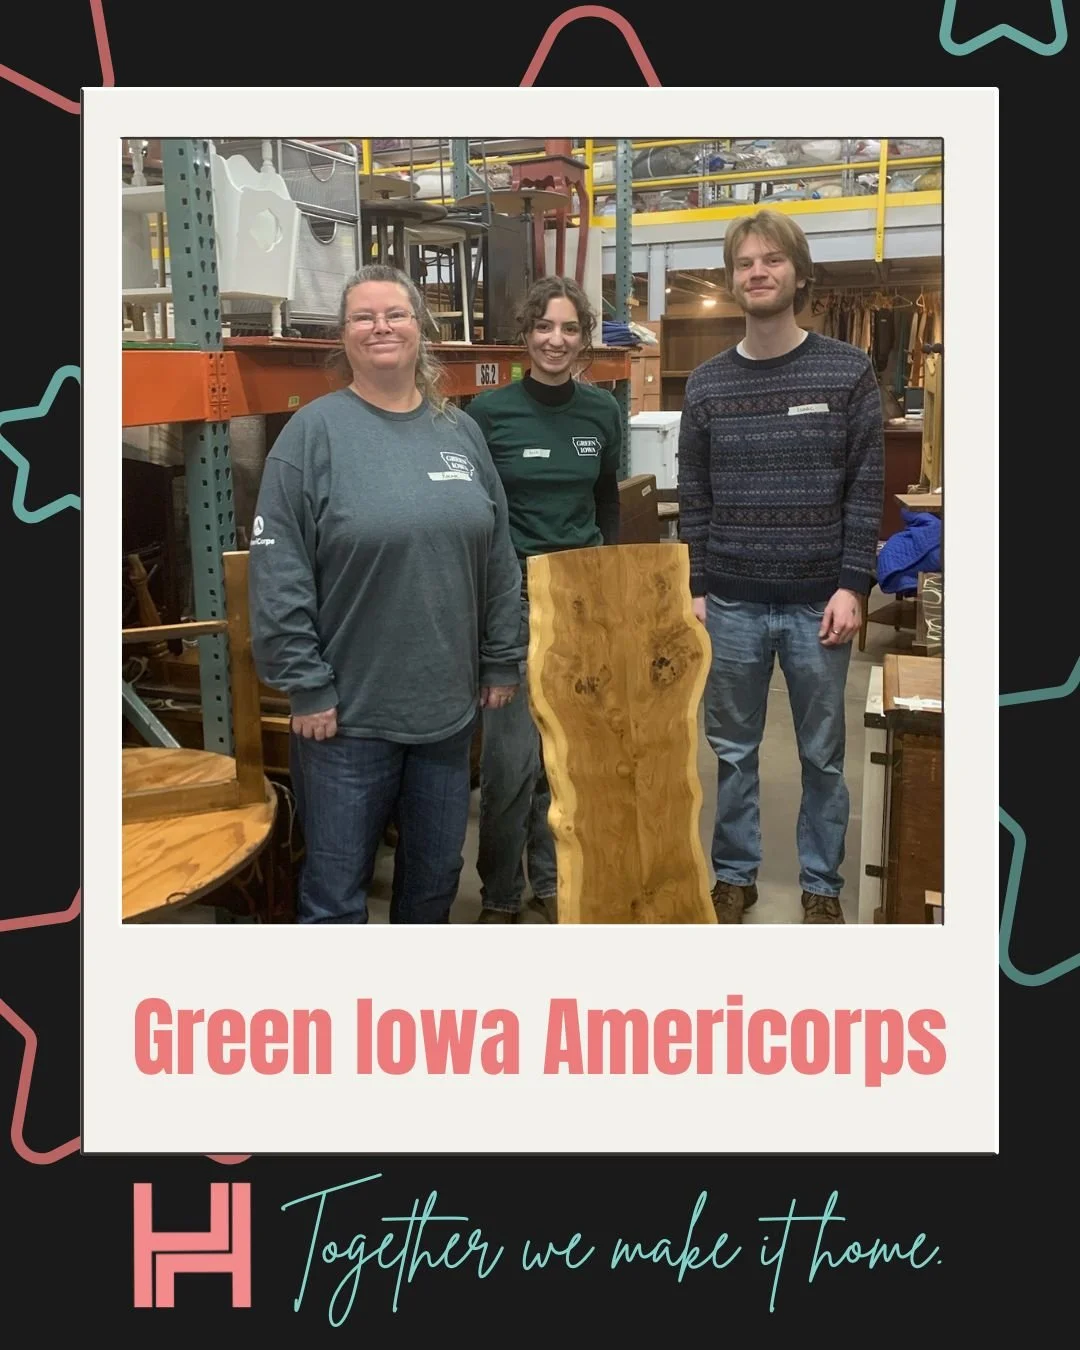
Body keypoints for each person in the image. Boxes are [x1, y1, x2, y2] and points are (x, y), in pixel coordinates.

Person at [248, 264, 523, 924]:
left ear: (419, 328)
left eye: (395, 314)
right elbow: (279, 570)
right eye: (363, 317)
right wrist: (305, 683)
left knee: (433, 883)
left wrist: (501, 657)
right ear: (342, 336)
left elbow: (498, 554)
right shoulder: (312, 434)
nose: (381, 327)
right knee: (336, 896)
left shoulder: (459, 431)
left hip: (447, 715)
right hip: (347, 719)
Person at [678, 211, 884, 925]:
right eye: (744, 263)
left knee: (822, 756)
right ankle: (734, 874)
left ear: (799, 274)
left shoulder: (847, 371)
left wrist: (853, 584)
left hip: (817, 604)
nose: (757, 272)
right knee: (732, 751)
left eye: (772, 260)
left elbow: (865, 487)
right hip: (730, 602)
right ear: (732, 278)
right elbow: (695, 494)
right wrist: (698, 586)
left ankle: (821, 883)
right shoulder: (706, 385)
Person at [466, 276, 622, 923]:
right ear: (526, 335)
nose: (556, 340)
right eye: (544, 327)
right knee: (510, 764)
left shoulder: (602, 412)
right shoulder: (487, 414)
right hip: (514, 601)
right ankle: (501, 892)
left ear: (583, 339)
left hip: (581, 601)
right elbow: (477, 515)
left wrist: (608, 585)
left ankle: (553, 881)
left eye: (569, 329)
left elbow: (606, 500)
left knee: (568, 758)